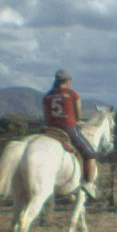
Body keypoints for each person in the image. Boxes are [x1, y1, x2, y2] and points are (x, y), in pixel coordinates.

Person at [42, 69, 98, 199]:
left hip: (49, 130)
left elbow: (45, 116)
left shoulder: (47, 96)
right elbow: (78, 115)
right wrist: (75, 121)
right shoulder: (72, 94)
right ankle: (89, 183)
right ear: (68, 81)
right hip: (67, 128)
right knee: (89, 153)